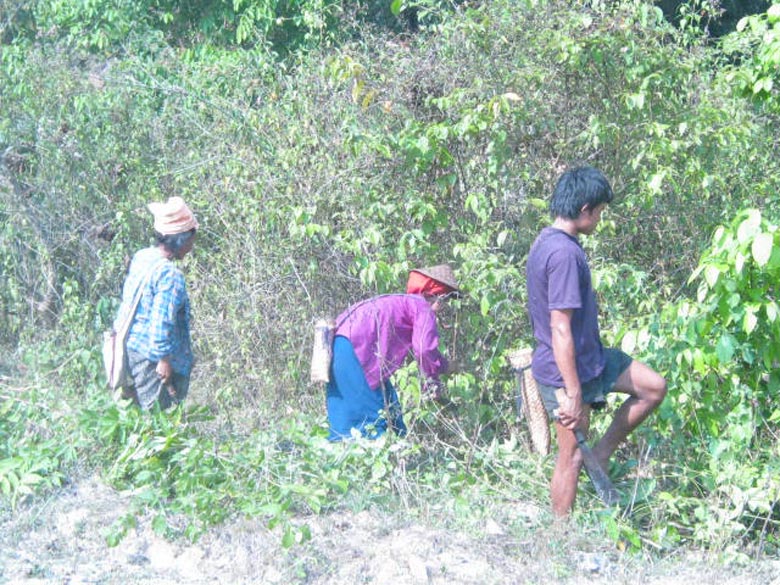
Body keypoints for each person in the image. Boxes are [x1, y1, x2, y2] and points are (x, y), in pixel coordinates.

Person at [525, 166, 667, 517]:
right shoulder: (563, 254)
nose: (601, 219)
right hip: (565, 371)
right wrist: (573, 394)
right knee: (570, 456)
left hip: (593, 359)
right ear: (585, 208)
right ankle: (560, 535)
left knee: (653, 387)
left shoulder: (549, 240)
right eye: (600, 212)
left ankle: (600, 455)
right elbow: (560, 329)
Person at [326, 265, 460, 441]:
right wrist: (440, 373)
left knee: (389, 413)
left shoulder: (404, 302)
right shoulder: (422, 307)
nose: (443, 307)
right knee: (370, 426)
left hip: (341, 347)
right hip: (356, 352)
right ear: (438, 296)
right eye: (446, 300)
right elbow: (424, 348)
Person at [114, 196, 198, 410]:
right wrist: (164, 361)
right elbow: (161, 323)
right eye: (190, 238)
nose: (192, 244)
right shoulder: (170, 275)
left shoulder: (143, 257)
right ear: (180, 239)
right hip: (152, 359)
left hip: (133, 349)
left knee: (142, 415)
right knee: (159, 420)